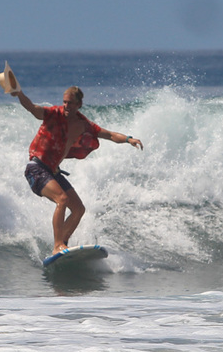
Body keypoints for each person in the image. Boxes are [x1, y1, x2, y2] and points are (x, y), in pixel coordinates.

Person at [13, 85, 143, 254]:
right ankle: (57, 246)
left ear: (79, 104)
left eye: (71, 103)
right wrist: (19, 94)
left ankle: (63, 243)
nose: (67, 106)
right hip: (36, 168)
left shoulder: (83, 125)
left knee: (79, 209)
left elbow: (109, 135)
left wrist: (128, 139)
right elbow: (32, 108)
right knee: (62, 199)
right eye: (65, 102)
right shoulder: (53, 114)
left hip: (52, 171)